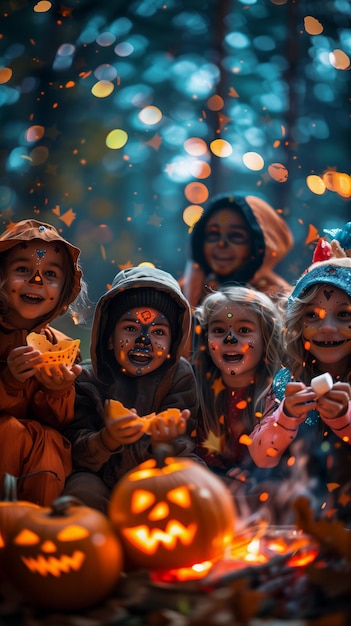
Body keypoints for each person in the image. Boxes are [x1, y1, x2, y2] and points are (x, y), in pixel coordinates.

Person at [64, 265, 201, 513]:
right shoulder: (86, 379)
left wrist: (164, 441)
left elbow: (184, 445)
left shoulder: (179, 376)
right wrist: (106, 440)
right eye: (130, 328)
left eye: (158, 332)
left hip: (158, 472)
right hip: (100, 475)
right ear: (108, 336)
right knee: (80, 490)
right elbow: (76, 451)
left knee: (196, 477)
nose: (144, 340)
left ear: (173, 343)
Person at [248, 255, 351, 523]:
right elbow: (262, 457)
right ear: (297, 326)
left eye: (343, 315)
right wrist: (286, 417)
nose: (327, 328)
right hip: (299, 520)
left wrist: (344, 419)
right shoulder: (287, 382)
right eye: (312, 316)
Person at [0, 219, 86, 505]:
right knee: (9, 430)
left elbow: (61, 422)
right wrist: (8, 383)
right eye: (23, 269)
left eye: (50, 274)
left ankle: (41, 522)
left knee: (51, 441)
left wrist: (57, 391)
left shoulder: (60, 347)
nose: (36, 281)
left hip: (38, 459)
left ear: (62, 291)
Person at [191, 285, 286, 513]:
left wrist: (257, 476)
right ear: (206, 340)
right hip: (208, 490)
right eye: (219, 330)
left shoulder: (278, 391)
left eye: (244, 330)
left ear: (266, 338)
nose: (230, 339)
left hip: (262, 491)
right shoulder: (195, 388)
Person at [182, 192, 294, 308]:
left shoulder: (283, 304)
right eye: (213, 234)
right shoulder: (180, 294)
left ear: (260, 244)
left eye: (236, 236)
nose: (221, 244)